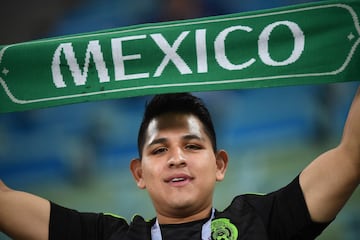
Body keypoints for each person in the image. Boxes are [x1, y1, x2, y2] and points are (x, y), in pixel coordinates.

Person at [0, 89, 359, 240]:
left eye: (191, 145)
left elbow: (352, 155)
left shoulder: (262, 223)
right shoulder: (109, 238)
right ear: (138, 173)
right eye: (158, 150)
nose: (176, 158)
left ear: (220, 164)